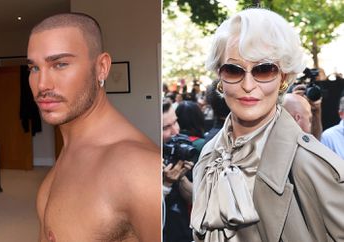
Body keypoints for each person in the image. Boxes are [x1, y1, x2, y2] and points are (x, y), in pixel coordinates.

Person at [190, 8, 344, 242]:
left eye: (264, 69)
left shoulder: (312, 164)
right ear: (220, 78)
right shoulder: (208, 157)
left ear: (283, 78)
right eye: (233, 70)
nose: (248, 85)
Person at [27, 13, 160, 242]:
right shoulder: (73, 146)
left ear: (102, 67)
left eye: (60, 64)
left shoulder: (142, 171)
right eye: (34, 68)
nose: (42, 85)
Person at [162, 100, 193, 242]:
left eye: (175, 122)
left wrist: (181, 176)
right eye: (166, 127)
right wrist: (166, 184)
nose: (175, 131)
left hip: (182, 230)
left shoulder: (182, 145)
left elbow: (194, 199)